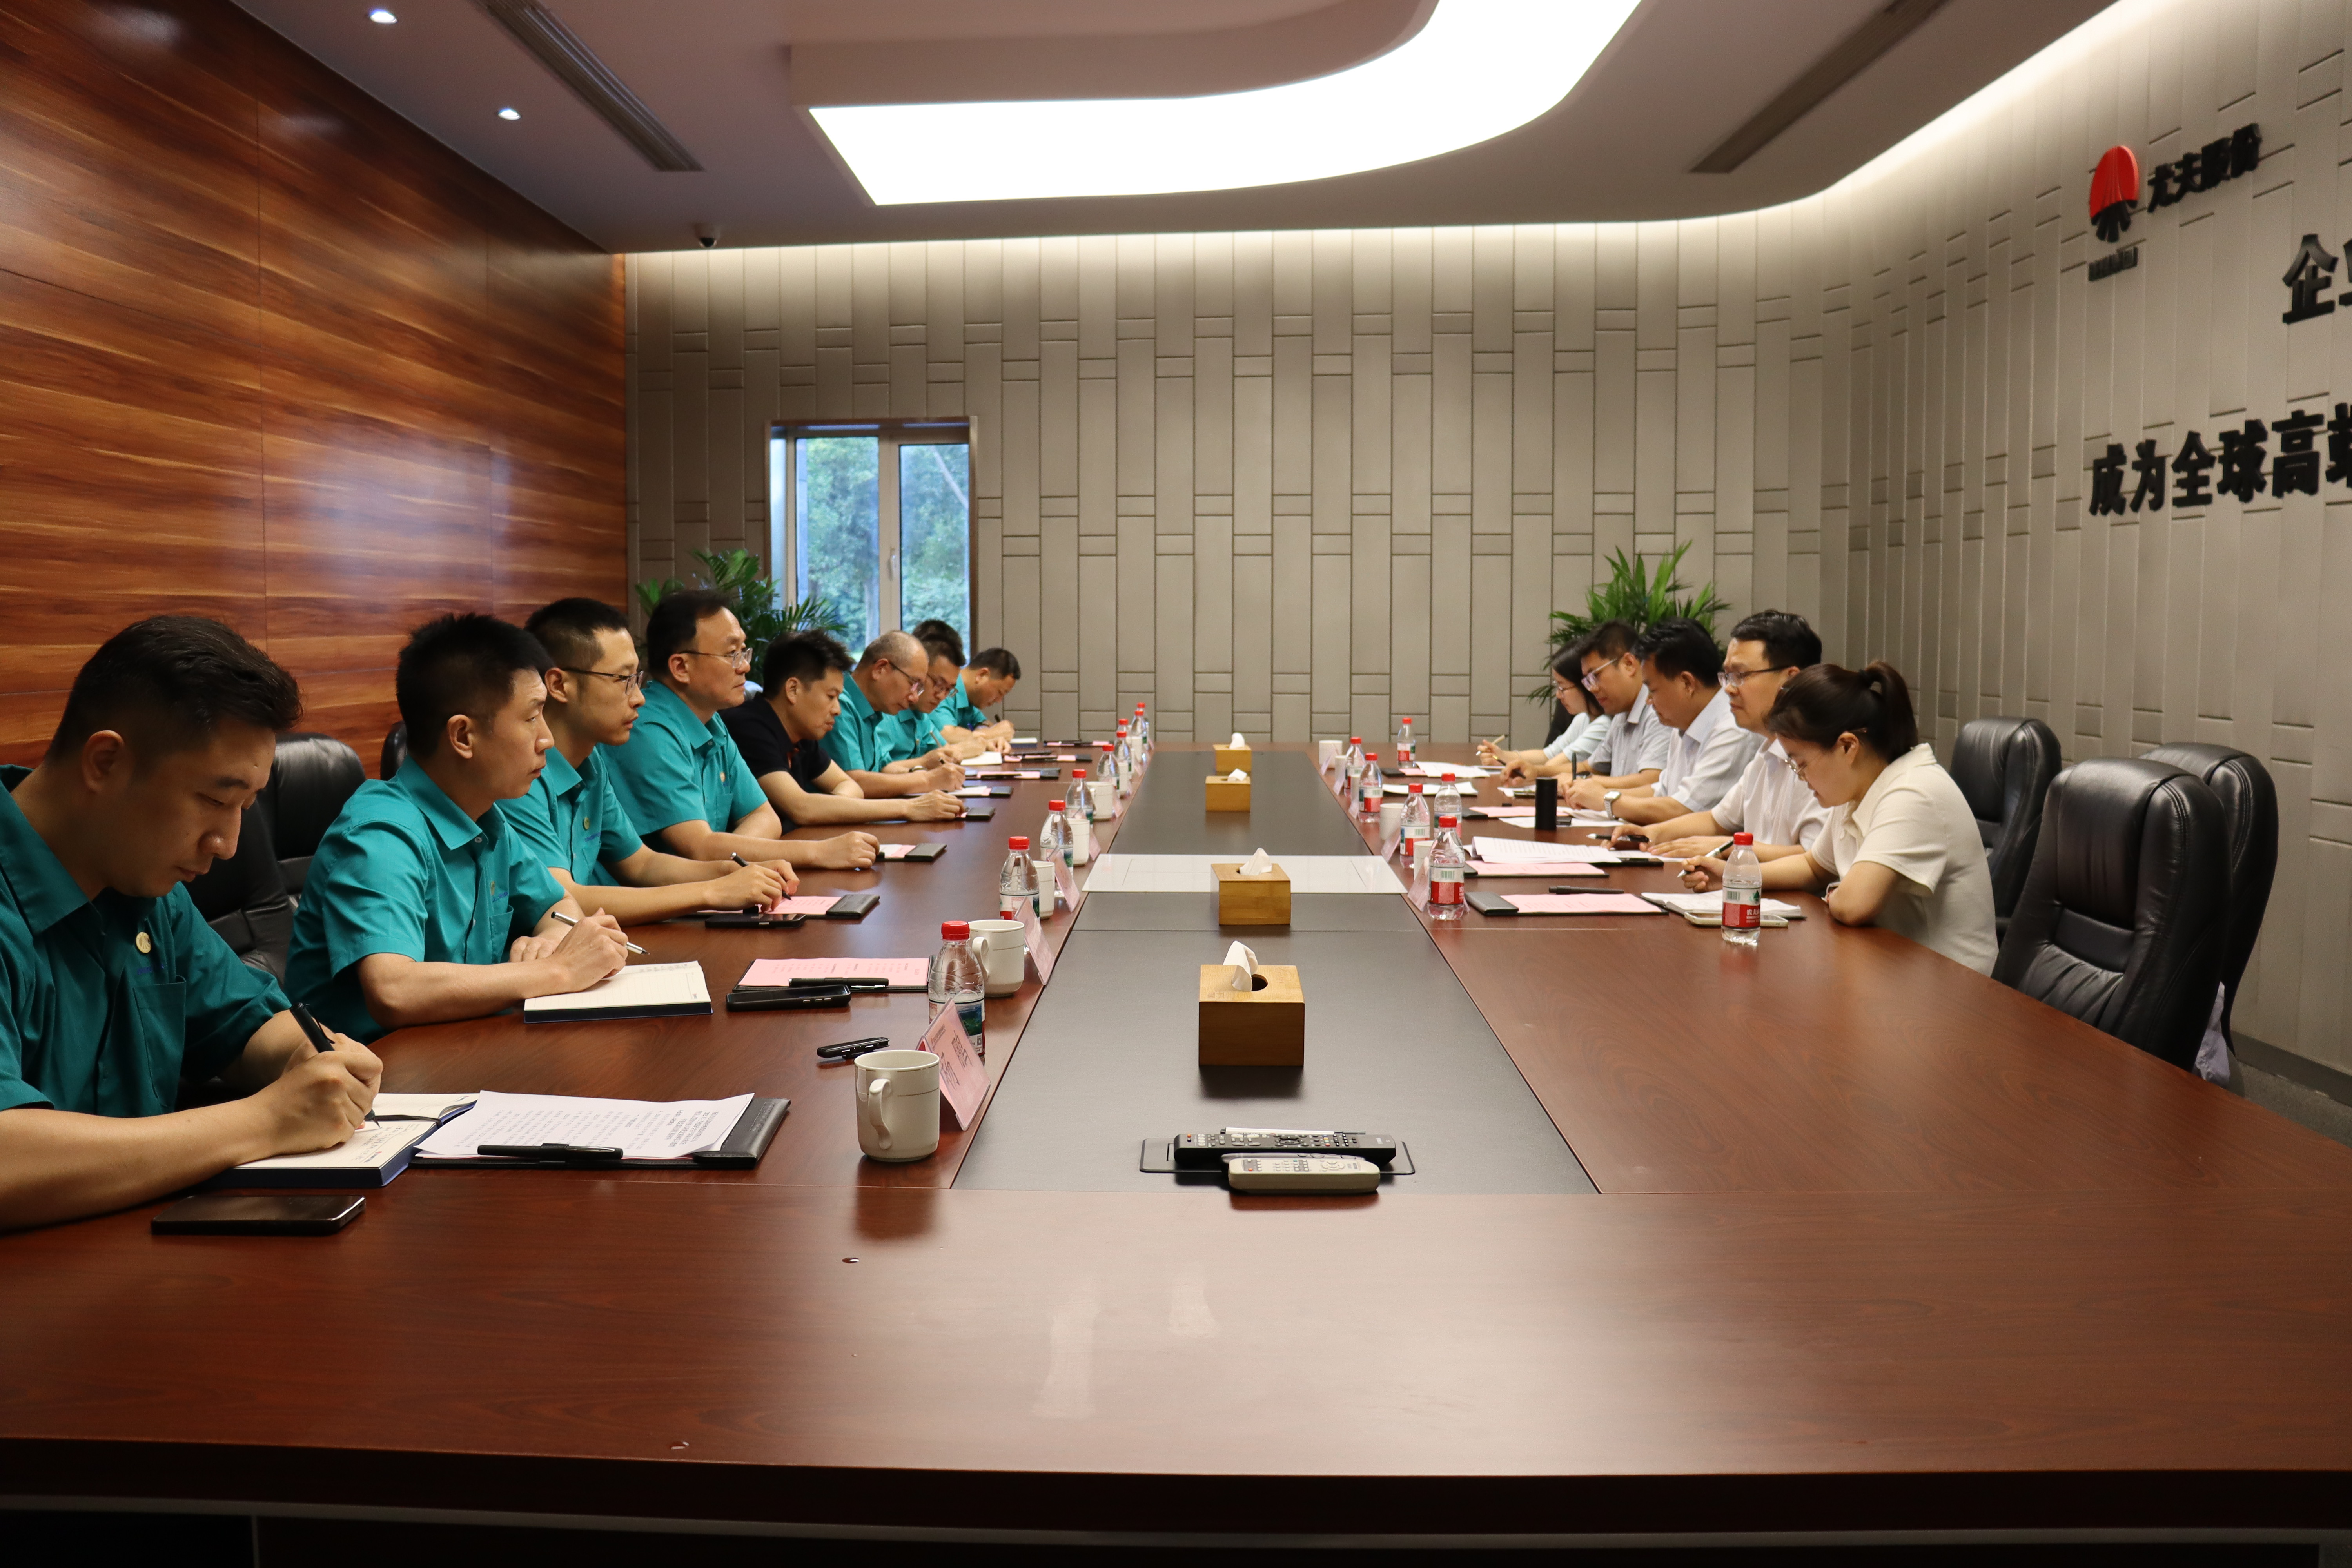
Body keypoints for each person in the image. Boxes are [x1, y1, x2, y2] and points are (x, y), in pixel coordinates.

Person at [0, 618, 384, 1230]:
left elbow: (247, 1026)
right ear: (105, 762)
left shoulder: (144, 886)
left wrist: (315, 1062)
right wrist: (265, 1121)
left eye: (245, 807)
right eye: (214, 800)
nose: (228, 843)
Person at [286, 615, 633, 1042]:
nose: (547, 738)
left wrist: (551, 940)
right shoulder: (380, 834)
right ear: (463, 736)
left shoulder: (486, 817)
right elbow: (394, 990)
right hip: (376, 1072)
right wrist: (557, 970)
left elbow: (558, 905)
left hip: (463, 1049)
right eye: (532, 717)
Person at [1679, 662, 1998, 974]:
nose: (1801, 777)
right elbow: (1813, 866)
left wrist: (1836, 893)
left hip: (1951, 987)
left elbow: (1854, 905)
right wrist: (1736, 877)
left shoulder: (1914, 793)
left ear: (1847, 747)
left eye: (1801, 764)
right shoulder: (1858, 790)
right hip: (1892, 967)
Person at [506, 598, 790, 922]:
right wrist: (713, 892)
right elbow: (564, 900)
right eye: (624, 680)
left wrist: (735, 871)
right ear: (559, 685)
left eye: (637, 680)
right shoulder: (521, 774)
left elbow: (642, 863)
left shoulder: (590, 762)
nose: (640, 698)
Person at [604, 590, 878, 870]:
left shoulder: (713, 722)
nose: (745, 666)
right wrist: (817, 852)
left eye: (743, 652)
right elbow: (699, 847)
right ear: (681, 667)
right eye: (732, 654)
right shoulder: (648, 730)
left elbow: (765, 817)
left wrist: (732, 856)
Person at [1613, 609, 1828, 862]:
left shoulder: (1822, 755)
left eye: (1740, 676)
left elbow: (1816, 859)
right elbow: (1717, 820)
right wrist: (1652, 834)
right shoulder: (1767, 752)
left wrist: (1729, 848)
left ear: (1790, 680)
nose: (1729, 689)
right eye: (1727, 676)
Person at [723, 632, 966, 826]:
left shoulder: (802, 735)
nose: (837, 710)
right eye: (831, 697)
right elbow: (801, 808)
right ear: (793, 690)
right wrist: (910, 807)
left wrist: (833, 808)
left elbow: (849, 786)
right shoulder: (750, 726)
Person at [1605, 618, 1762, 825]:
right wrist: (1608, 795)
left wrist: (1608, 802)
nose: (1648, 701)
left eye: (1653, 690)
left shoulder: (1733, 730)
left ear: (1687, 683)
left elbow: (1684, 810)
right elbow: (1663, 792)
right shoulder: (1683, 723)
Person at [1503, 621, 1668, 809]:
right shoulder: (1621, 714)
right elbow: (1589, 767)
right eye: (1587, 681)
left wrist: (1586, 784)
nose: (1593, 689)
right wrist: (1537, 772)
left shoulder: (1659, 712)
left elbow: (1651, 781)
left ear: (1629, 664)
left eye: (1595, 676)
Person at [821, 630, 966, 799]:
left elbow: (884, 769)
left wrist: (923, 772)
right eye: (913, 684)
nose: (914, 698)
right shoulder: (841, 705)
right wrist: (927, 780)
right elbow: (854, 782)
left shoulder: (874, 711)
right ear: (880, 669)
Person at [1481, 643, 1611, 777]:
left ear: (1584, 684)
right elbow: (1547, 755)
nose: (1558, 695)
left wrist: (1529, 769)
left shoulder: (1604, 725)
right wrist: (1502, 756)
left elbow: (1552, 766)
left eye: (1562, 687)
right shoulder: (1583, 719)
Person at [935, 644, 1019, 747]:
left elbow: (983, 724)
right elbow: (946, 734)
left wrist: (991, 730)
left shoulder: (970, 699)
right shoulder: (945, 688)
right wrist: (993, 734)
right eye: (1000, 692)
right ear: (982, 675)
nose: (999, 701)